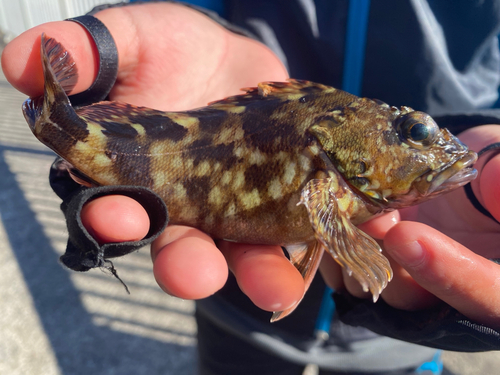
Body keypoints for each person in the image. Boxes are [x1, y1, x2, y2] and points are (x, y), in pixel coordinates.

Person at [2, 1, 500, 374]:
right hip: (238, 320)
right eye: (414, 134)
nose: (434, 149)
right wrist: (197, 14)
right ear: (345, 140)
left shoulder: (343, 174)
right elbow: (329, 223)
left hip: (390, 351)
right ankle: (59, 119)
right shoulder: (332, 178)